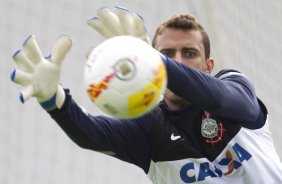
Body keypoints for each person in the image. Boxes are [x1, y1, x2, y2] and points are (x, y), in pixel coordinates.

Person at [10, 6, 282, 184]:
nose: (179, 60)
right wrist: (54, 101)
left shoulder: (235, 87)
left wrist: (154, 61)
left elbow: (218, 97)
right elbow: (90, 133)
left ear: (209, 67)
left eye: (189, 53)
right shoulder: (148, 128)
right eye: (167, 54)